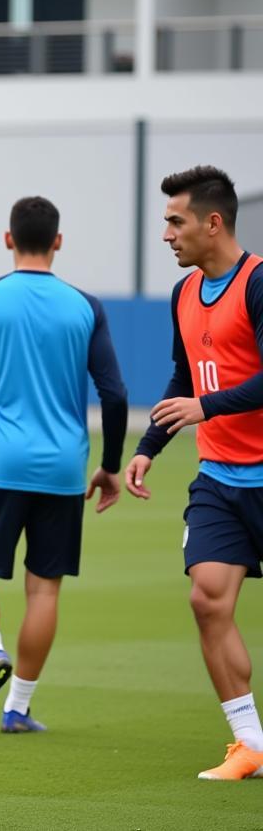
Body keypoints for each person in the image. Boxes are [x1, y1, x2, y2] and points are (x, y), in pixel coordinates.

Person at [0, 196, 128, 734]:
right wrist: (110, 465)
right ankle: (19, 708)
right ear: (58, 242)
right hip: (65, 471)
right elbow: (114, 394)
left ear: (8, 240)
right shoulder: (86, 305)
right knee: (43, 589)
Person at [126, 165, 263, 781]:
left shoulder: (258, 284)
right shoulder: (184, 295)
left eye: (175, 222)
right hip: (220, 479)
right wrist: (150, 444)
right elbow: (186, 380)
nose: (167, 235)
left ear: (213, 222)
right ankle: (251, 744)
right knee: (208, 600)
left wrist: (205, 408)